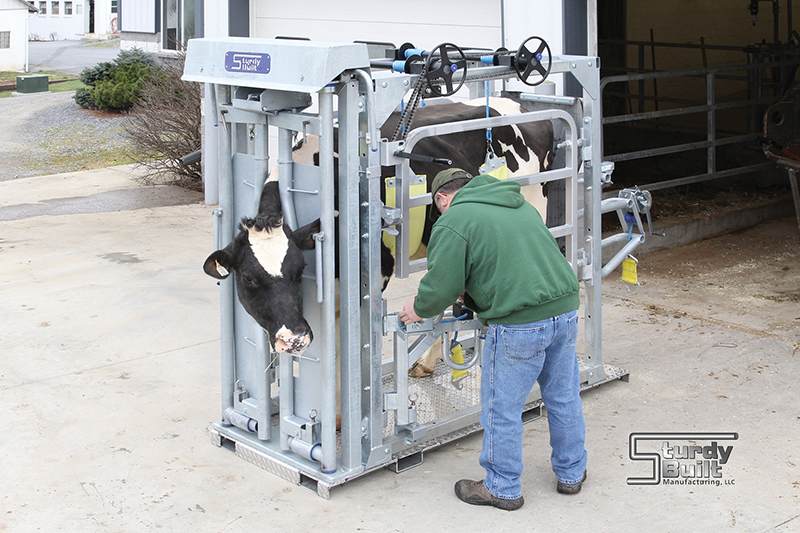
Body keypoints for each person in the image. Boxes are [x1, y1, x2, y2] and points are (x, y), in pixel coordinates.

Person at [398, 168, 587, 511]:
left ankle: (502, 486)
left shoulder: (454, 219)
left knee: (503, 408)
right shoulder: (517, 205)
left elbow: (442, 285)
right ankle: (572, 472)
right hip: (564, 311)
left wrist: (418, 307)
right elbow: (509, 259)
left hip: (520, 323)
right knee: (563, 396)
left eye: (438, 206)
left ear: (441, 198)